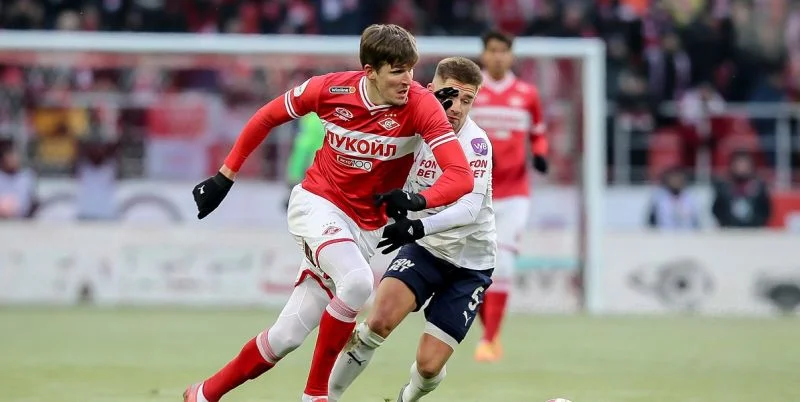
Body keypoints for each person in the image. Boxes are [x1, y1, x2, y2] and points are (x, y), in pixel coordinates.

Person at [184, 24, 474, 402]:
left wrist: (418, 201)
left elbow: (461, 176)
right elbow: (267, 116)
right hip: (317, 203)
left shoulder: (420, 105)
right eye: (397, 71)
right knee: (357, 282)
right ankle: (316, 395)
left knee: (285, 338)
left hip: (363, 231)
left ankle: (202, 394)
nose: (408, 80)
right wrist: (225, 177)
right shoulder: (329, 89)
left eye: (411, 69)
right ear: (370, 71)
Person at [327, 56, 494, 402]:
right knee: (377, 323)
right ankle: (324, 397)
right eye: (452, 96)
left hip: (470, 263)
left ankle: (406, 399)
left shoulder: (476, 144)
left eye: (467, 100)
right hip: (425, 250)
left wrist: (417, 226)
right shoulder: (410, 130)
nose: (458, 108)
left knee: (429, 366)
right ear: (432, 90)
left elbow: (468, 209)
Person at [468, 30, 549, 362]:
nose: (498, 56)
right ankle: (490, 334)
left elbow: (538, 134)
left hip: (515, 193)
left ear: (511, 55)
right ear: (484, 54)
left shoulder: (527, 94)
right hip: (476, 193)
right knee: (475, 268)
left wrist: (540, 154)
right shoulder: (471, 90)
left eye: (503, 51)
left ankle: (489, 340)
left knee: (503, 263)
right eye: (492, 50)